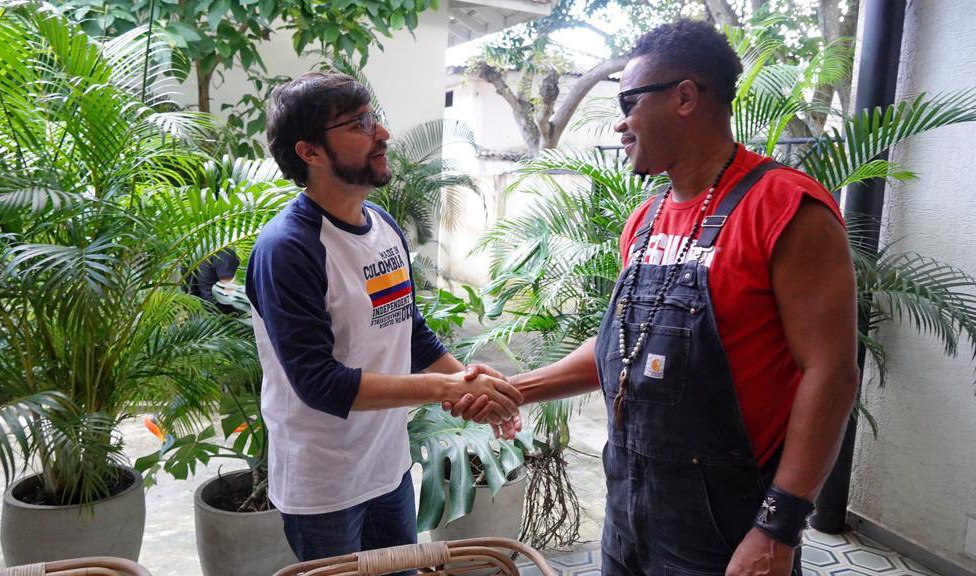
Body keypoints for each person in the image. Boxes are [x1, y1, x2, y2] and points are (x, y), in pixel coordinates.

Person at [447, 20, 859, 576]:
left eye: (628, 101)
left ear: (685, 97)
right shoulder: (645, 219)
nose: (620, 123)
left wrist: (778, 527)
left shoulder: (785, 209)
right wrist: (515, 389)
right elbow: (622, 346)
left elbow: (831, 372)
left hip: (726, 520)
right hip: (630, 503)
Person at [246, 72, 520, 563]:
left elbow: (407, 329)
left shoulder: (383, 228)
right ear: (309, 152)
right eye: (358, 125)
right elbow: (319, 383)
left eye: (374, 118)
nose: (382, 134)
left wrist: (471, 381)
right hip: (322, 485)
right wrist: (447, 391)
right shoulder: (288, 249)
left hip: (388, 466)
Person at [184, 248, 240, 314]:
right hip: (222, 314)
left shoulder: (198, 251)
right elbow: (230, 290)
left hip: (201, 312)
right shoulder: (225, 253)